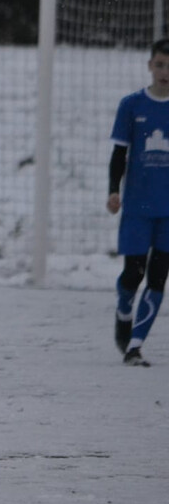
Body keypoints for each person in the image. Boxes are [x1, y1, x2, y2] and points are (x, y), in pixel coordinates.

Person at [107, 37, 169, 368]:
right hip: (137, 206)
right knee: (133, 274)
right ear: (150, 65)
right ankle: (123, 309)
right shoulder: (132, 105)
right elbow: (119, 153)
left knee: (159, 276)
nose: (165, 72)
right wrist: (113, 190)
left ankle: (135, 346)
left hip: (168, 211)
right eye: (160, 65)